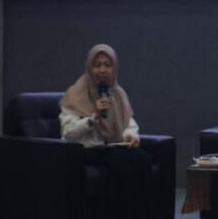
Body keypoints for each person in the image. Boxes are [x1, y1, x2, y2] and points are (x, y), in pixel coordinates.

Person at [60, 44, 151, 219]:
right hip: (85, 151)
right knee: (122, 164)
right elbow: (68, 132)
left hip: (112, 148)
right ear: (89, 68)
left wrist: (131, 136)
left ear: (114, 69)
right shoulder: (75, 93)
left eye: (108, 65)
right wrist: (93, 117)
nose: (102, 70)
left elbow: (129, 123)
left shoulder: (118, 93)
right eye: (97, 65)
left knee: (142, 159)